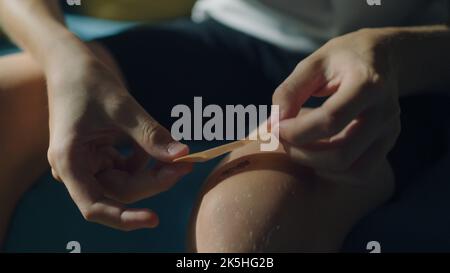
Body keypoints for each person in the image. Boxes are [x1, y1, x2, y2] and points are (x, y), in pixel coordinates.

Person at [0, 0, 449, 251]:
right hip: (230, 36)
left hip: (411, 72)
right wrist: (64, 56)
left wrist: (396, 54)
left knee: (242, 229)